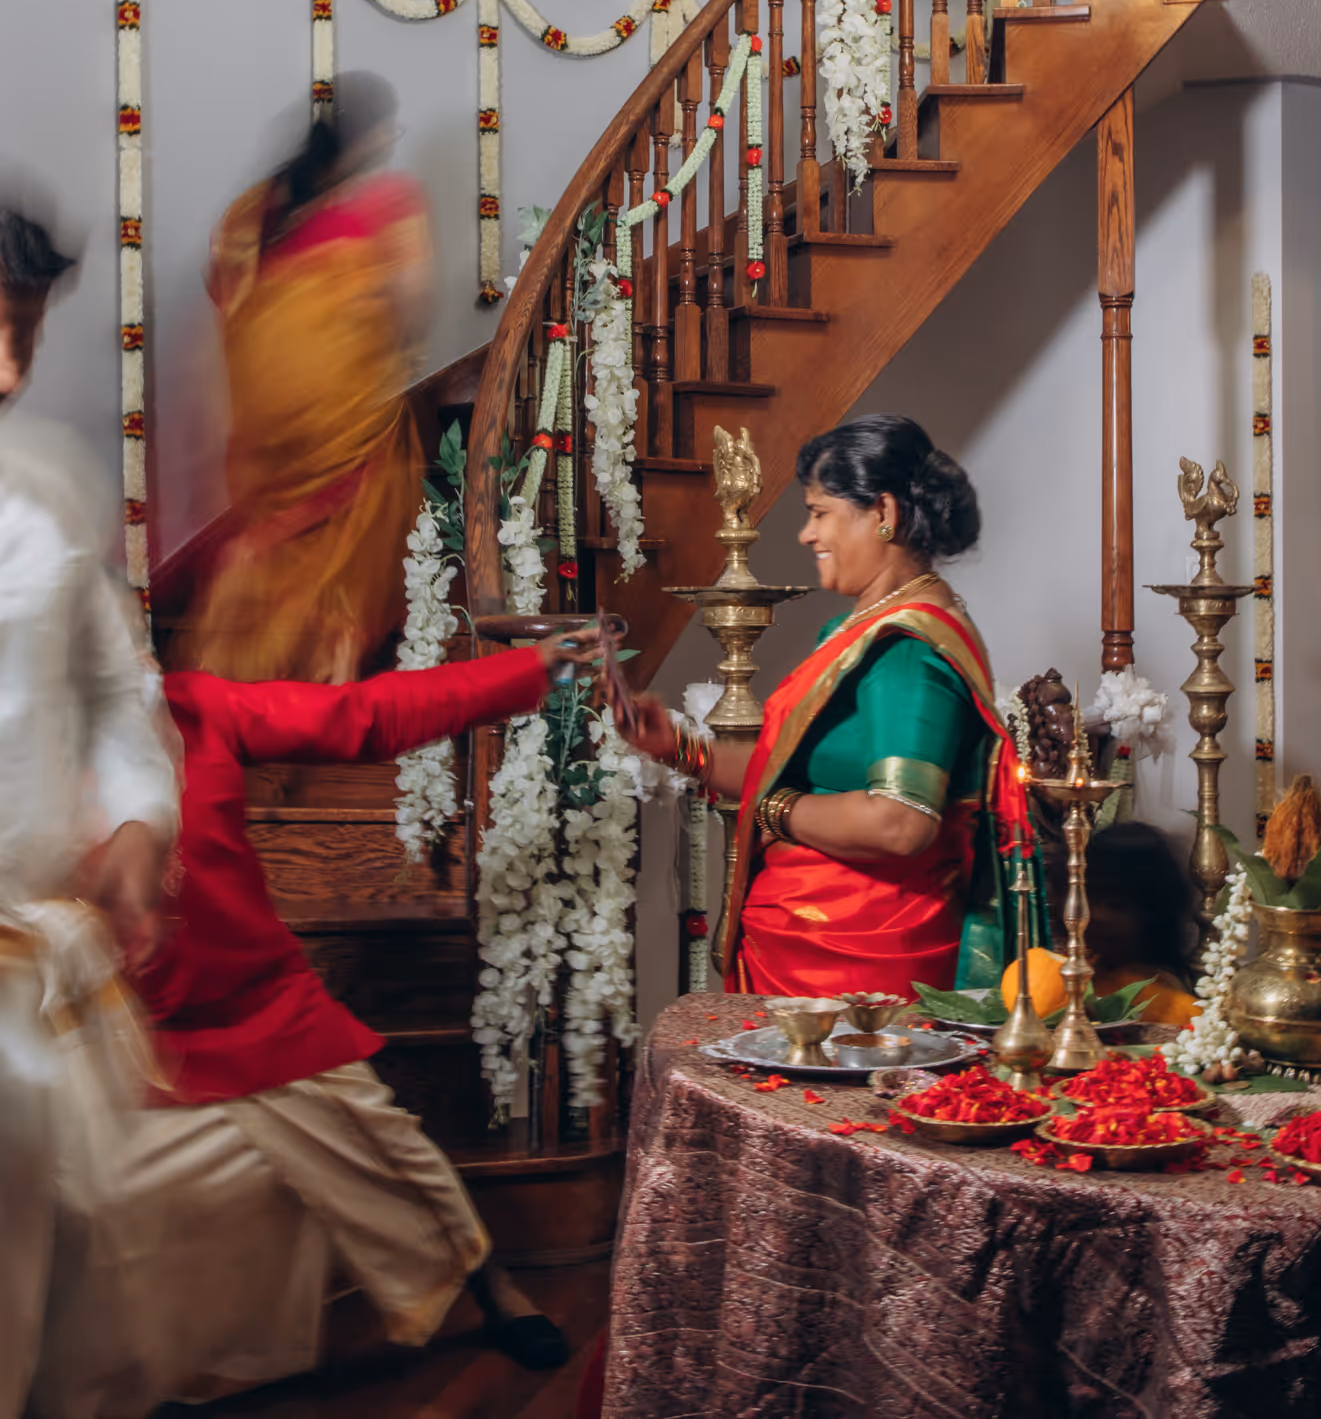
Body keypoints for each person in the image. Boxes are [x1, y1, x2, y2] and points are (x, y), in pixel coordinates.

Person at [31, 626, 608, 1416]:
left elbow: (365, 715)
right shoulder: (27, 772)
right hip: (127, 1041)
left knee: (395, 1156)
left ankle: (498, 1293)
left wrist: (524, 672)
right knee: (119, 1208)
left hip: (263, 1007)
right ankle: (172, 1367)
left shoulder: (197, 709)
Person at [616, 414, 1040, 996]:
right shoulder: (856, 632)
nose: (806, 535)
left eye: (819, 513)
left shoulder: (907, 651)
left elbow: (900, 823)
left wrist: (775, 814)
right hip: (813, 956)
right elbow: (779, 771)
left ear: (883, 515)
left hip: (857, 985)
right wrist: (678, 747)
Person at [0, 202, 180, 1419]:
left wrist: (133, 822)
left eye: (26, 331)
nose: (12, 369)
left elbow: (119, 696)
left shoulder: (49, 493)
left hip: (24, 974)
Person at [180, 73, 431, 684]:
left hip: (266, 428)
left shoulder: (259, 211)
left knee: (272, 541)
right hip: (344, 417)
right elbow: (412, 303)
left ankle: (229, 678)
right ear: (370, 138)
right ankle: (329, 679)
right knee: (375, 494)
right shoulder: (383, 208)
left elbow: (224, 291)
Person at [1083, 821, 1198, 1030]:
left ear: (1154, 913)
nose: (1097, 915)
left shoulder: (1178, 1010)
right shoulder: (1074, 983)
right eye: (1089, 898)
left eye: (1115, 905)